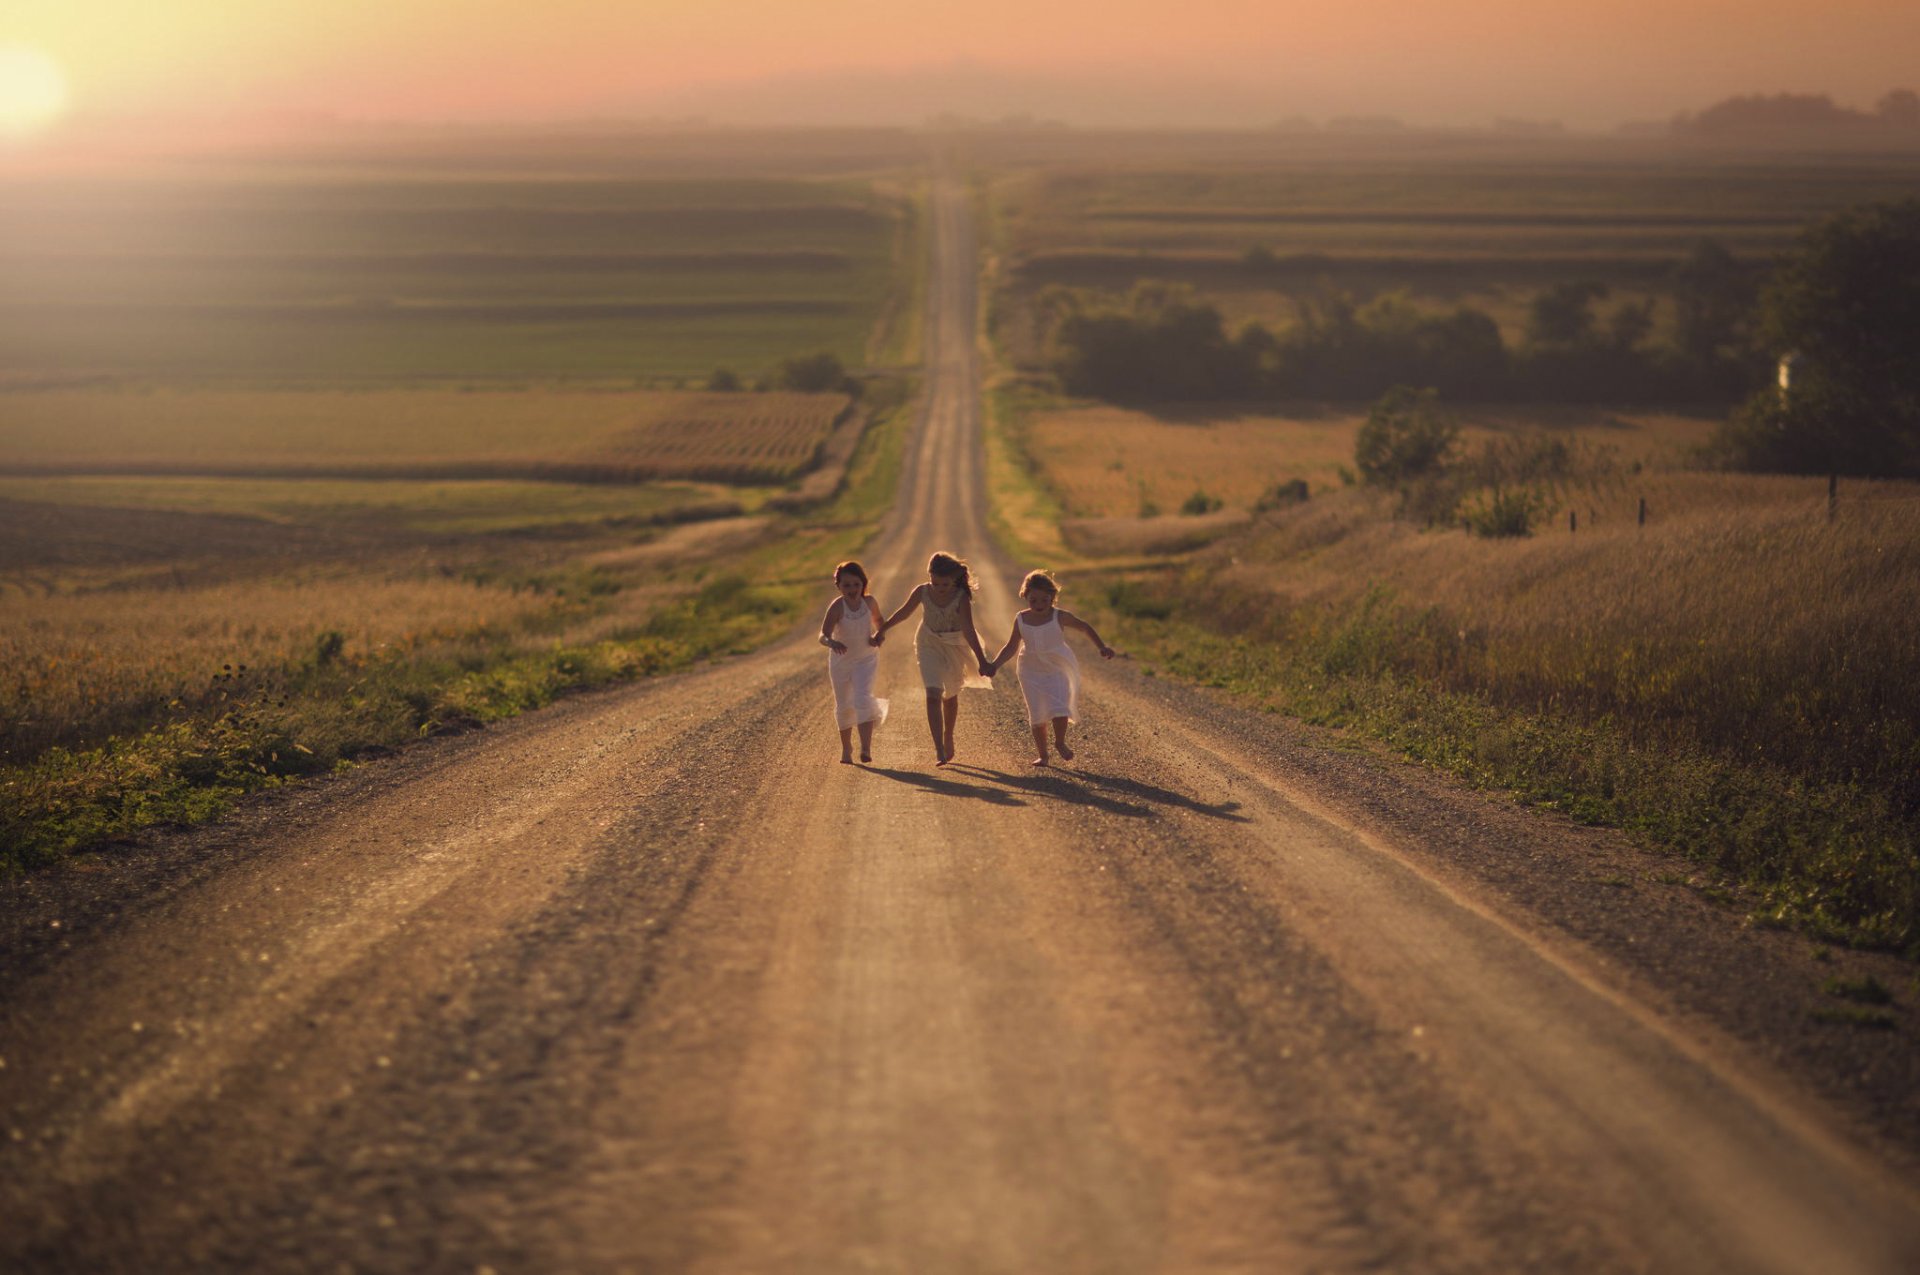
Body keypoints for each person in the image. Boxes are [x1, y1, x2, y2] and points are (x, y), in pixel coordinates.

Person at [985, 569, 1114, 766]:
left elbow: (1085, 627)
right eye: (1033, 600)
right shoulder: (1021, 618)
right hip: (1030, 669)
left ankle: (1060, 742)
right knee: (1037, 713)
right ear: (1025, 596)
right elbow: (1011, 646)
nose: (1039, 605)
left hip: (1058, 666)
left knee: (1060, 707)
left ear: (1052, 598)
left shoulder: (1059, 616)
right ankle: (1043, 755)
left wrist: (1101, 646)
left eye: (1044, 600)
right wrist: (995, 664)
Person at [879, 551, 993, 766]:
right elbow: (903, 613)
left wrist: (982, 660)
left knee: (950, 696)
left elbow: (968, 629)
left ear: (954, 580)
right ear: (929, 575)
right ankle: (939, 748)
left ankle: (948, 734)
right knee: (932, 693)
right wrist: (883, 629)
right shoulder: (922, 591)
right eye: (936, 583)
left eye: (945, 584)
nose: (940, 588)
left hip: (954, 645)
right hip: (928, 643)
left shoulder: (961, 596)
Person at [820, 560, 887, 763]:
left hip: (866, 659)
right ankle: (846, 748)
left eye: (856, 584)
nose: (852, 589)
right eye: (846, 585)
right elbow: (822, 635)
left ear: (863, 584)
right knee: (844, 704)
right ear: (839, 586)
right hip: (841, 662)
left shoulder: (870, 603)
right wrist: (832, 642)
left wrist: (879, 636)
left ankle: (865, 749)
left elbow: (880, 623)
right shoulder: (837, 607)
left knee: (862, 698)